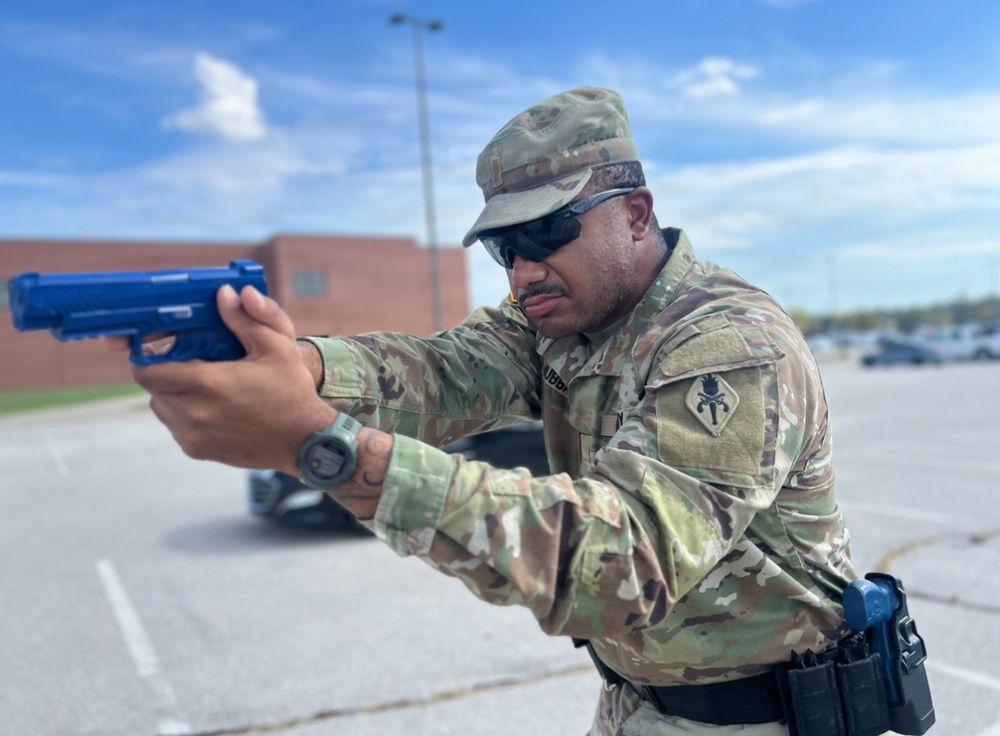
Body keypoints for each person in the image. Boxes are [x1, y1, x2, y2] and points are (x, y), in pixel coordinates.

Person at [120, 87, 861, 735]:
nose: (524, 269)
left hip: (767, 718)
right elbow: (439, 373)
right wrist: (296, 366)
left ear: (636, 215)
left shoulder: (731, 346)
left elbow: (623, 564)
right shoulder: (554, 320)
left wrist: (320, 444)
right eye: (505, 246)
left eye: (546, 233)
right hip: (640, 703)